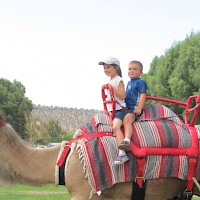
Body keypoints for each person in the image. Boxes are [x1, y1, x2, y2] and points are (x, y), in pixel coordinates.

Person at [99, 57, 128, 165]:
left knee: (116, 127)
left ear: (116, 67)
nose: (106, 70)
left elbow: (122, 95)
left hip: (120, 110)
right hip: (112, 111)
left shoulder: (118, 80)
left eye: (108, 67)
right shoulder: (110, 81)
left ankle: (122, 153)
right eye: (104, 68)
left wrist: (111, 87)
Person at [118, 60, 147, 152]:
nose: (131, 71)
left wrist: (139, 107)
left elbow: (142, 95)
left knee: (127, 120)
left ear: (140, 72)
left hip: (134, 109)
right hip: (127, 108)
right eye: (130, 69)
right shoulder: (129, 83)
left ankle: (126, 141)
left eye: (134, 69)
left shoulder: (140, 82)